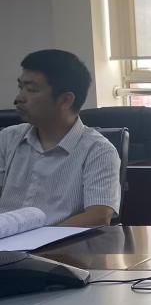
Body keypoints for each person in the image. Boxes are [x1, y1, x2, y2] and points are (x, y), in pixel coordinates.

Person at [0, 50, 120, 226]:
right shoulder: (7, 138)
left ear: (65, 100)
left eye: (31, 89)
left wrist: (42, 238)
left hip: (61, 243)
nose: (18, 99)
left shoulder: (99, 151)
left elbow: (98, 216)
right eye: (21, 88)